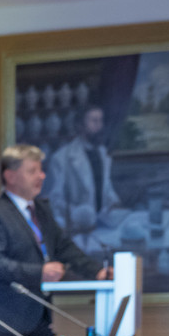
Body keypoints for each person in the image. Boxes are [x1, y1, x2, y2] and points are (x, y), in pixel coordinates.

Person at [0, 144, 110, 336]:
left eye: (41, 170)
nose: (42, 176)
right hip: (4, 323)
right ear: (10, 176)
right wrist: (40, 272)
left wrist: (96, 271)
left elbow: (63, 247)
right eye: (32, 171)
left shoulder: (41, 210)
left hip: (38, 319)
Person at [45, 106, 122, 254]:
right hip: (77, 234)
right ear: (80, 125)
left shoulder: (102, 154)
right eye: (94, 121)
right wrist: (79, 215)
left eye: (100, 121)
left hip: (104, 229)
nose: (99, 126)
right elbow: (55, 200)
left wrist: (114, 202)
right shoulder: (62, 158)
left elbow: (106, 188)